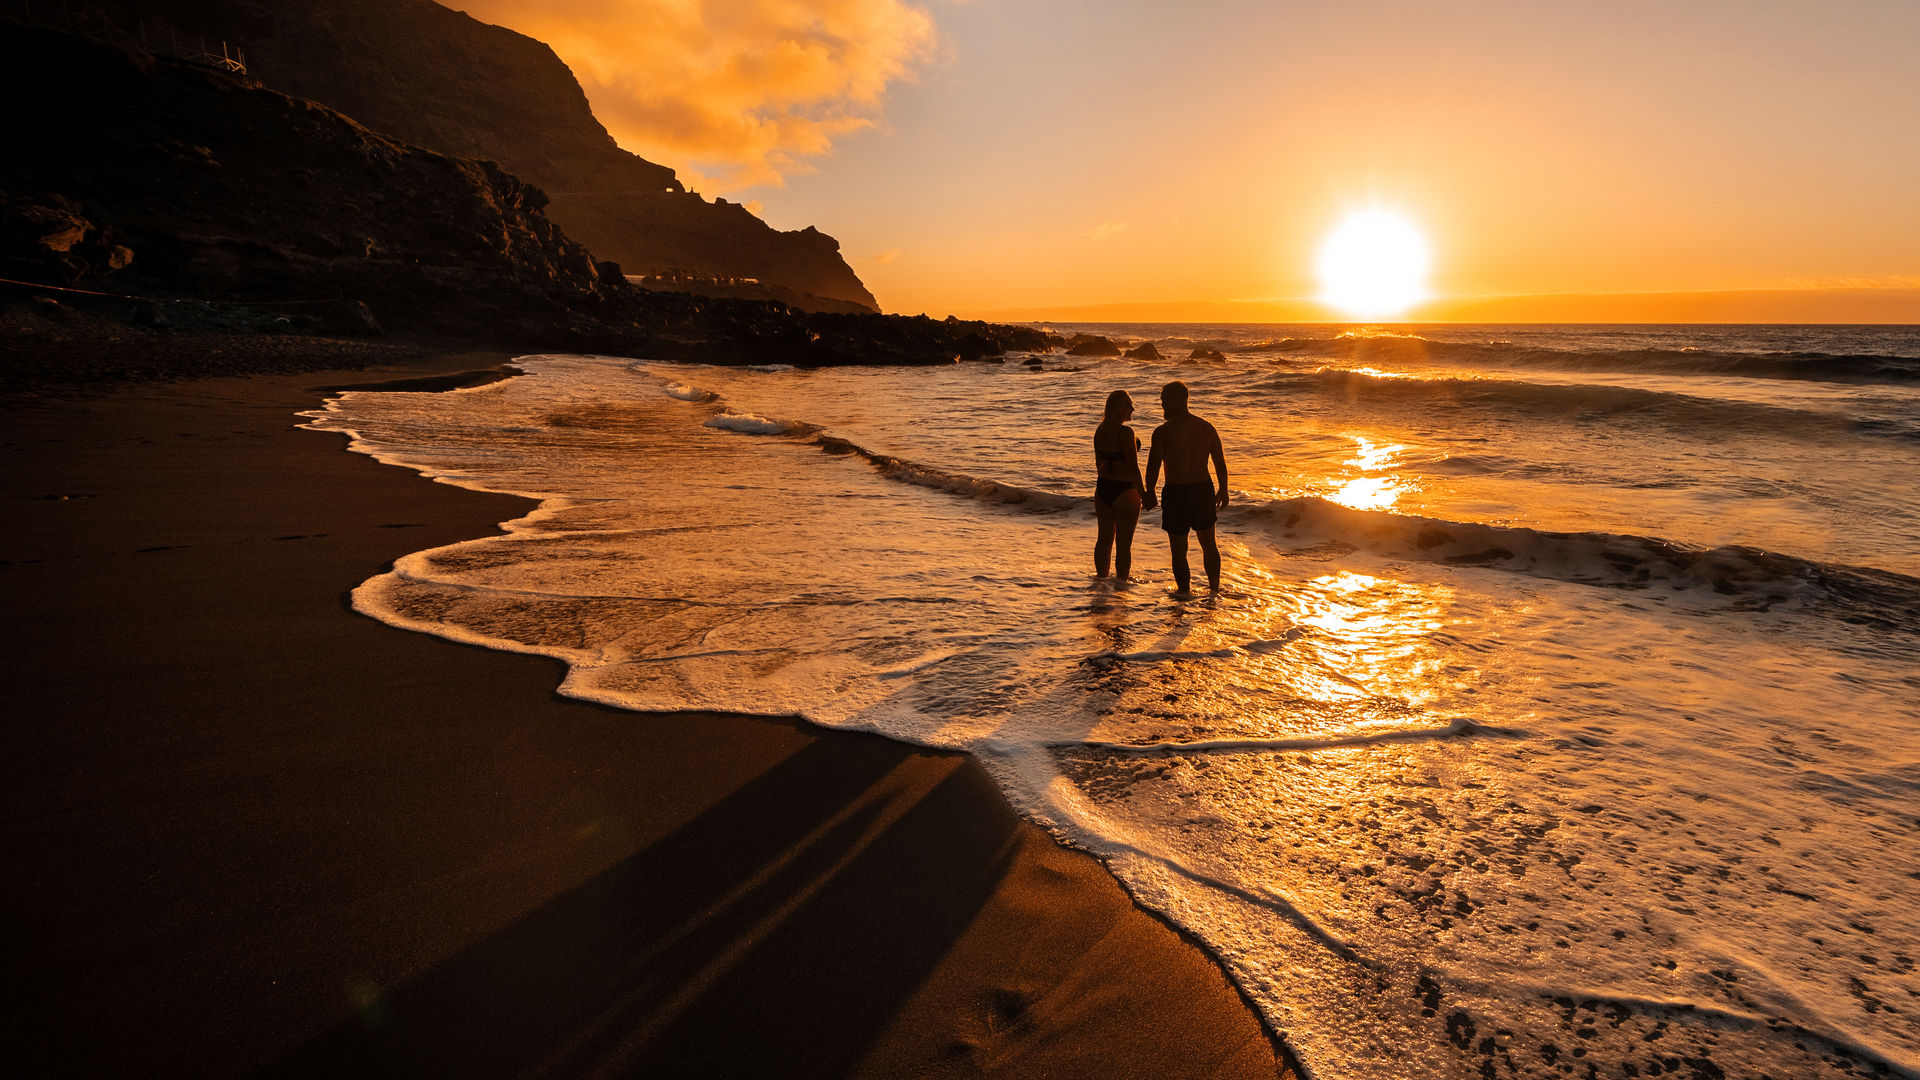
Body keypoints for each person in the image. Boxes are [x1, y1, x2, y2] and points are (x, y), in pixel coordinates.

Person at [1143, 380, 1229, 595]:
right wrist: (1223, 489)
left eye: (1164, 401)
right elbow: (1219, 462)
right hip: (1202, 490)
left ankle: (1184, 594)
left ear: (1178, 400)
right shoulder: (1206, 427)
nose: (1162, 405)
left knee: (1179, 550)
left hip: (1177, 492)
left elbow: (1153, 464)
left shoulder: (1163, 432)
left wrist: (1150, 491)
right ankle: (1214, 591)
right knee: (1209, 544)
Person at [1092, 389, 1146, 581]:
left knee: (1104, 540)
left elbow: (1100, 465)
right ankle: (1122, 586)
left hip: (1103, 489)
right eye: (1129, 405)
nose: (1132, 408)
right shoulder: (1126, 433)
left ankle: (1100, 582)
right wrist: (1145, 494)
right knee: (1124, 544)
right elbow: (1133, 468)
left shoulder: (1100, 430)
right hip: (1125, 491)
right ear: (1119, 408)